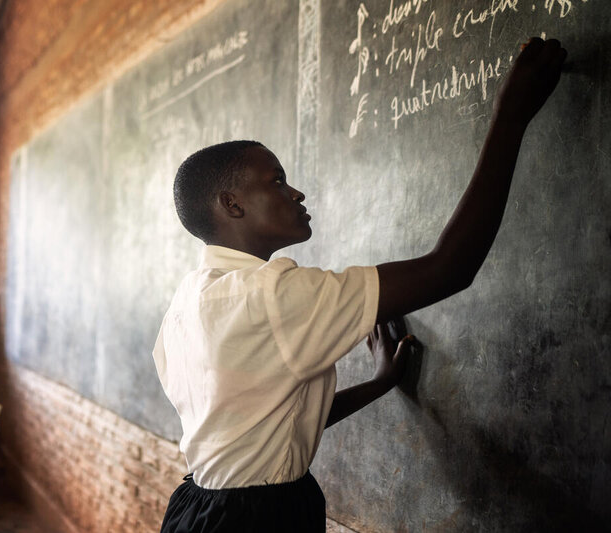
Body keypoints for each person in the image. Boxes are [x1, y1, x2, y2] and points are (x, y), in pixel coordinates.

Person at [153, 37, 566, 532]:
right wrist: (511, 117)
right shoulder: (268, 295)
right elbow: (451, 267)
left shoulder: (189, 301)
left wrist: (379, 383)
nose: (296, 191)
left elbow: (267, 423)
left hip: (197, 508)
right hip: (255, 521)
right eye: (277, 181)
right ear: (232, 204)